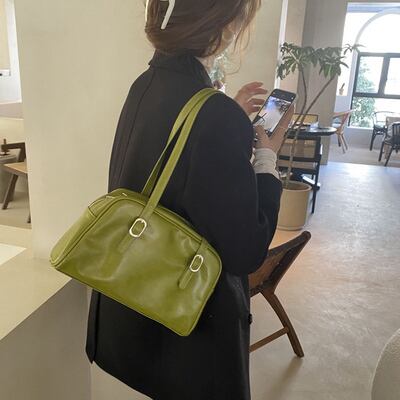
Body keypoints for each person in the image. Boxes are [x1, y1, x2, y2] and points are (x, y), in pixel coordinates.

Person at [86, 1, 294, 399]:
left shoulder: (145, 84)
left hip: (130, 310)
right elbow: (247, 250)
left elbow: (172, 166)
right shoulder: (213, 113)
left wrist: (226, 115)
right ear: (224, 24)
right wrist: (266, 158)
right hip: (188, 330)